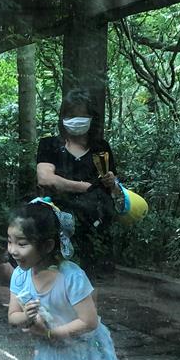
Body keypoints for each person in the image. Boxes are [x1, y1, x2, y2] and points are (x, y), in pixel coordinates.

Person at [6, 198, 128, 360]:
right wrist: (26, 317)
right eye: (10, 241)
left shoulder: (71, 277)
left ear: (47, 245)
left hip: (82, 352)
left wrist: (51, 332)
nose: (13, 250)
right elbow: (13, 316)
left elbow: (89, 321)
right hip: (51, 350)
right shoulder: (20, 275)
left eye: (22, 244)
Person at [36, 90, 123, 276]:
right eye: (71, 115)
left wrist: (110, 182)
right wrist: (86, 187)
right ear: (63, 117)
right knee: (57, 277)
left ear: (92, 118)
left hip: (95, 227)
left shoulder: (101, 148)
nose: (76, 120)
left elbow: (113, 186)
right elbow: (45, 178)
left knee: (93, 280)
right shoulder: (49, 144)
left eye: (82, 115)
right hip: (59, 225)